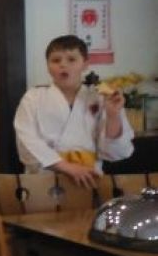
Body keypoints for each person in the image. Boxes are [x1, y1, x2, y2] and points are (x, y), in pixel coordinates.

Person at [14, 34, 133, 186]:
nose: (63, 65)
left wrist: (113, 115)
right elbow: (26, 141)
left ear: (85, 64)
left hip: (88, 176)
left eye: (71, 59)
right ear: (48, 66)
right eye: (56, 60)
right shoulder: (33, 97)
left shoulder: (101, 97)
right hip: (44, 179)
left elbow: (115, 152)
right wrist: (67, 167)